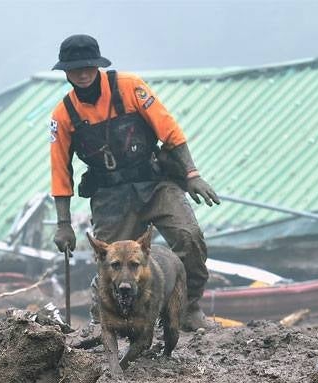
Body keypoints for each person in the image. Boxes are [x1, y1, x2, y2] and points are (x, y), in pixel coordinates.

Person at [48, 34, 220, 331]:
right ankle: (104, 321)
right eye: (75, 69)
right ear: (66, 72)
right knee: (111, 260)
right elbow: (60, 170)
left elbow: (169, 130)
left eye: (88, 66)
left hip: (154, 183)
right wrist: (63, 224)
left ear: (98, 65)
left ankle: (188, 309)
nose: (83, 73)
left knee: (189, 237)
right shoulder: (63, 115)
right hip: (110, 196)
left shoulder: (130, 87)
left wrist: (191, 174)